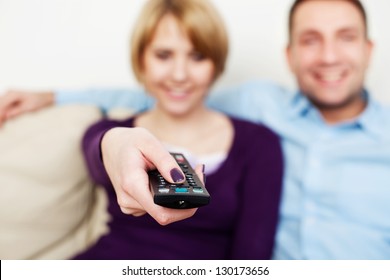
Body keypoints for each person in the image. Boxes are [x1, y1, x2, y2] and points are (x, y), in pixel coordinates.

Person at [2, 0, 390, 259]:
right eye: (310, 39)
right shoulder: (262, 105)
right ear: (289, 55)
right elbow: (137, 114)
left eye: (346, 37)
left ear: (370, 49)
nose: (328, 56)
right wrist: (61, 100)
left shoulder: (256, 139)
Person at [72, 0, 283, 260]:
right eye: (163, 55)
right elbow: (95, 147)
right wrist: (113, 143)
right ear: (141, 60)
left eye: (197, 56)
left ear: (215, 64)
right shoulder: (112, 130)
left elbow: (252, 258)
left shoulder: (259, 144)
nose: (180, 74)